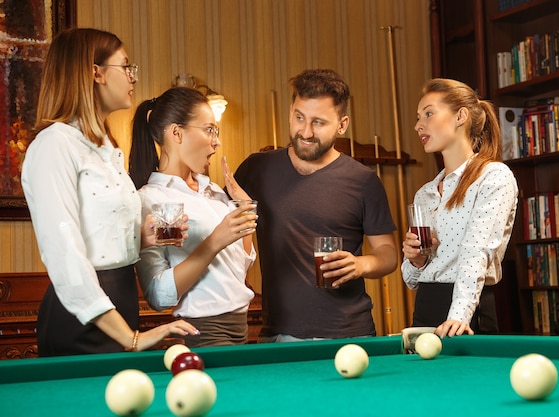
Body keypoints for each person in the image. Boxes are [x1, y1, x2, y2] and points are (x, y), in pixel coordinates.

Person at [21, 28, 199, 356]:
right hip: (82, 317)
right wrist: (129, 338)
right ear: (96, 73)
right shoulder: (54, 145)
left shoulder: (106, 147)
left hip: (121, 299)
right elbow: (65, 256)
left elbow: (101, 239)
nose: (133, 77)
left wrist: (142, 237)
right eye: (126, 66)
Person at [229, 68, 398, 341]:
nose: (305, 131)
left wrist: (360, 264)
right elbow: (221, 232)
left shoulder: (364, 181)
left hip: (349, 335)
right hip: (277, 335)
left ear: (342, 125)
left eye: (318, 122)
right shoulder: (255, 170)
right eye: (299, 117)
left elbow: (388, 253)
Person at [129, 87, 258, 347]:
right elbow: (158, 295)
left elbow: (239, 268)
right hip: (203, 331)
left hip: (242, 326)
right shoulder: (149, 199)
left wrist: (244, 208)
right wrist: (212, 243)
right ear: (176, 133)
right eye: (209, 130)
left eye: (216, 132)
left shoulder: (214, 192)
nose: (217, 141)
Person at [401, 78, 518, 339]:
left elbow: (476, 253)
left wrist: (458, 316)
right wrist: (416, 260)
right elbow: (410, 278)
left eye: (429, 113)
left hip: (468, 310)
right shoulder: (425, 193)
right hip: (425, 308)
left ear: (460, 116)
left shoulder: (494, 177)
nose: (419, 125)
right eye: (419, 117)